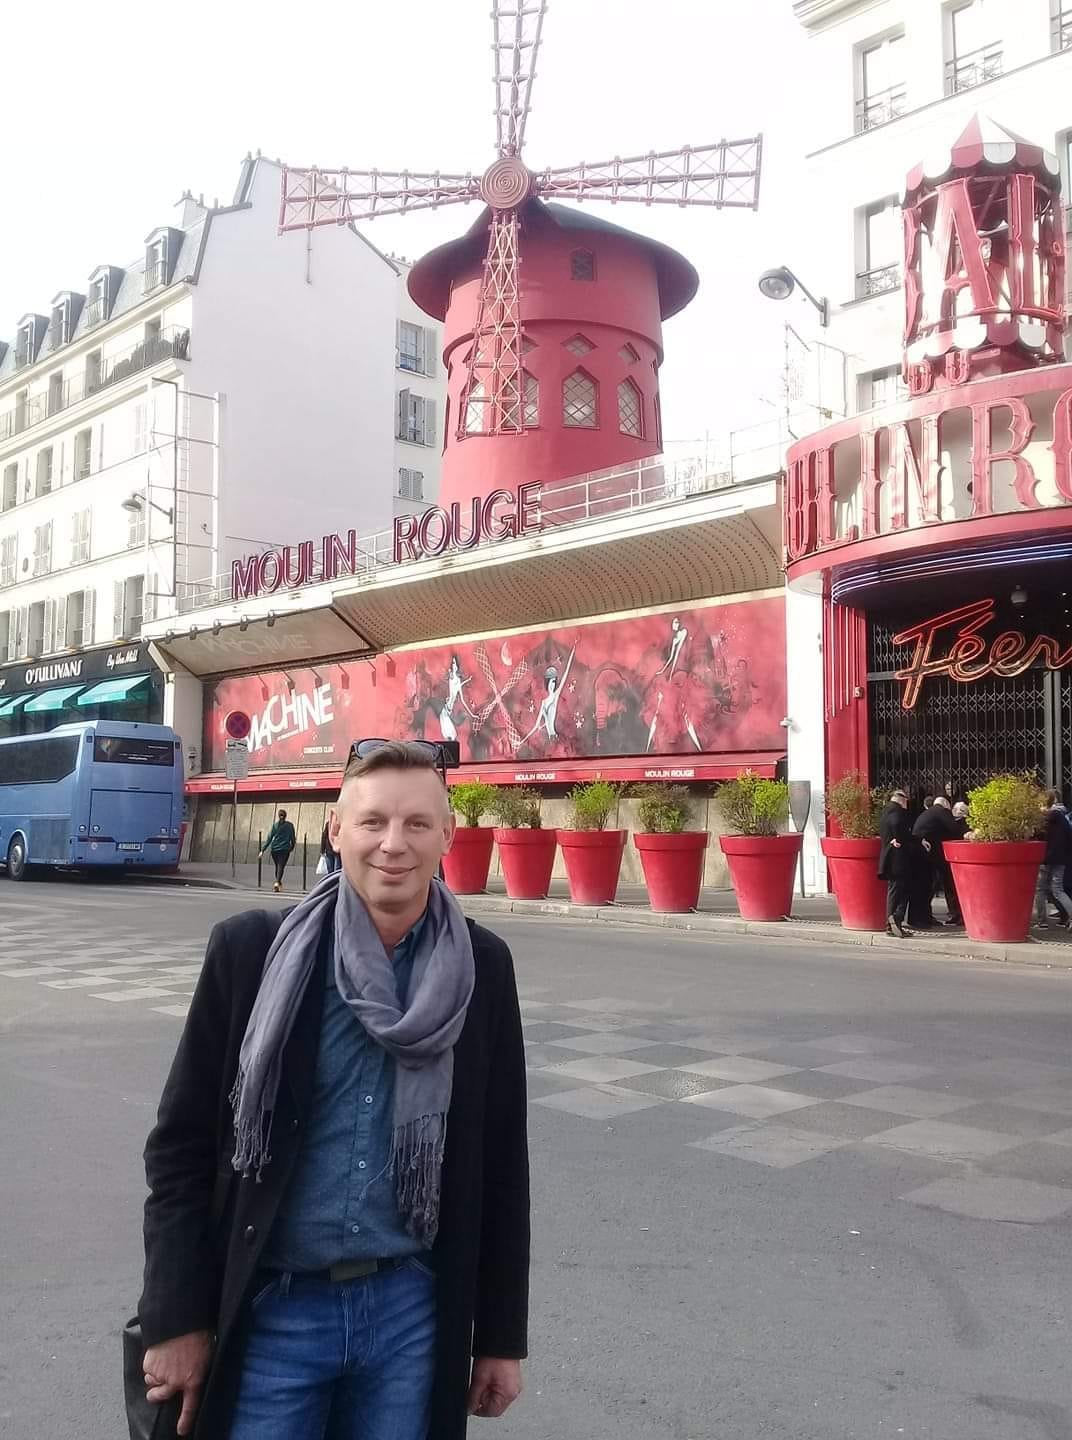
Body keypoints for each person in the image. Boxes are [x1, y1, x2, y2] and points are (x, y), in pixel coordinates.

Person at [138, 741, 530, 1440]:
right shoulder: (252, 953)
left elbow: (501, 1165)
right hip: (275, 1312)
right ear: (336, 830)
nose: (393, 844)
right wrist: (177, 1318)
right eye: (373, 821)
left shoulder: (482, 967)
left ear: (447, 836)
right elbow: (181, 1148)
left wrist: (500, 1336)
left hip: (410, 1314)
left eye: (417, 823)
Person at [912, 796, 962, 927]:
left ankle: (924, 916)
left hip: (923, 853)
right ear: (946, 804)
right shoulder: (942, 811)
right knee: (944, 883)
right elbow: (954, 829)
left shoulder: (929, 813)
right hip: (932, 854)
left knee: (928, 886)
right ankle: (956, 914)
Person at [878, 789, 914, 938]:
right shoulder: (896, 811)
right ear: (900, 798)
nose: (907, 802)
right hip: (898, 858)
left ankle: (891, 925)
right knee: (901, 890)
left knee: (894, 890)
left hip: (889, 857)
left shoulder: (886, 811)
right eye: (906, 798)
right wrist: (898, 838)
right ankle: (895, 917)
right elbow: (897, 824)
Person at [1035, 788, 1072, 930]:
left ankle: (1042, 922)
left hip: (1045, 857)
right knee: (1058, 889)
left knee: (1041, 890)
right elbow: (1069, 835)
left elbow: (1036, 836)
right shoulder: (1062, 816)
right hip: (1061, 857)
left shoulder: (1041, 818)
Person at [261, 808, 297, 893]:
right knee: (281, 866)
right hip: (285, 849)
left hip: (275, 849)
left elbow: (269, 838)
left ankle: (278, 883)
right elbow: (293, 838)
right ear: (285, 816)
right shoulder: (290, 826)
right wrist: (292, 847)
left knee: (278, 866)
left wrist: (262, 850)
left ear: (278, 816)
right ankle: (277, 883)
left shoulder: (275, 825)